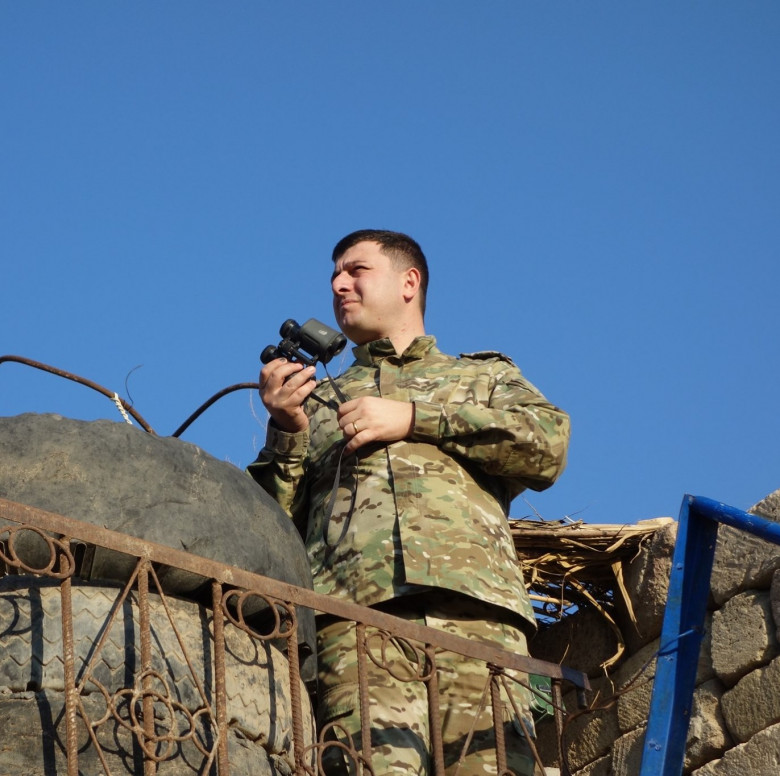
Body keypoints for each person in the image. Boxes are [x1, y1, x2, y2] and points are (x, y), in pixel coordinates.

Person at [248, 229, 570, 775]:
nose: (338, 285)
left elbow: (547, 446)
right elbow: (267, 531)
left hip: (479, 619)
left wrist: (416, 418)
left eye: (356, 271)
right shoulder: (316, 402)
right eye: (334, 276)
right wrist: (286, 431)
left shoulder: (482, 376)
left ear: (408, 282)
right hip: (356, 622)